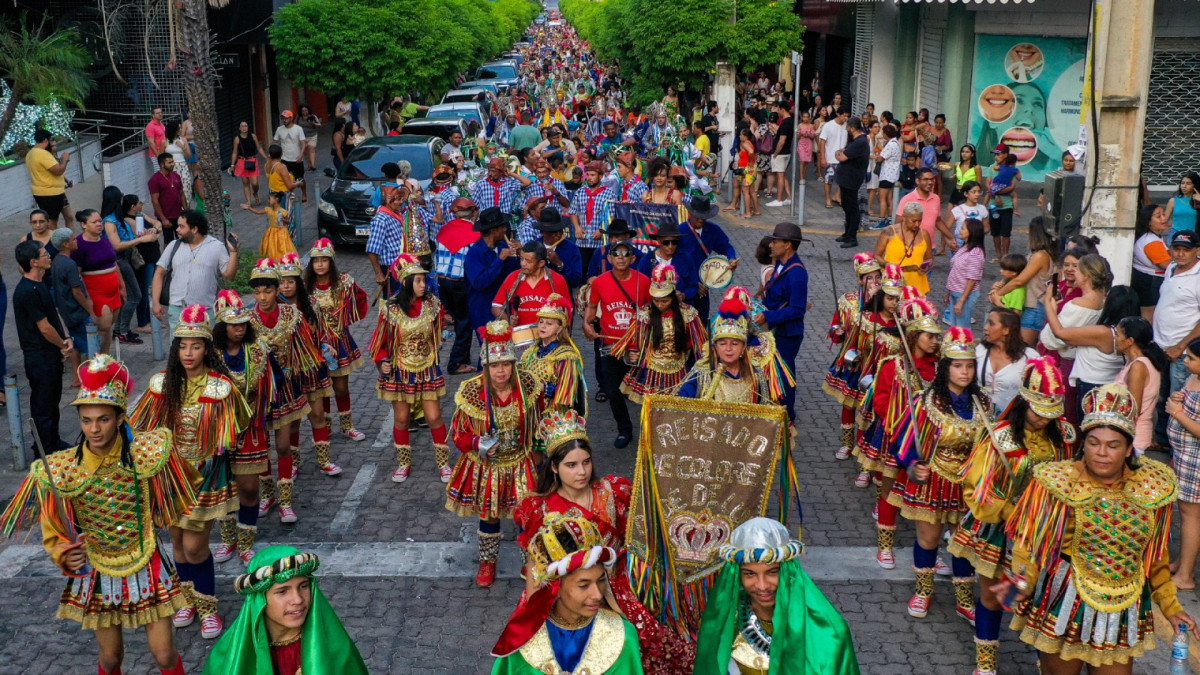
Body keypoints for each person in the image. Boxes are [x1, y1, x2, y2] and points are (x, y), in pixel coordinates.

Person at [0, 354, 198, 675]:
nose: (94, 429)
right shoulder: (65, 469)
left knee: (163, 655)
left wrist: (166, 511)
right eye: (86, 420)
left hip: (147, 560)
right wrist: (64, 552)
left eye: (103, 419)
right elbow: (54, 531)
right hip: (98, 570)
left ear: (120, 418)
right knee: (111, 658)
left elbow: (174, 497)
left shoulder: (145, 454)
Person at [996, 383, 1198, 672]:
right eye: (1093, 443)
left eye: (1113, 445)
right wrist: (1021, 580)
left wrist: (1171, 608)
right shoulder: (1060, 483)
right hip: (1066, 600)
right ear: (1084, 443)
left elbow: (1155, 557)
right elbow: (1030, 544)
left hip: (1124, 608)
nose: (1102, 453)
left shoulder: (1152, 489)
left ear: (1129, 449)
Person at [512, 411, 695, 674]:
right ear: (554, 467)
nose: (582, 471)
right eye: (571, 465)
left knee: (650, 646)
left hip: (617, 588)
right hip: (566, 595)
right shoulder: (540, 508)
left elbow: (638, 537)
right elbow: (535, 565)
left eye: (586, 462)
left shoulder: (612, 492)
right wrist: (532, 613)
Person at [130, 304, 250, 639]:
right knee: (178, 545)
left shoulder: (219, 388)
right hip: (170, 478)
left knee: (197, 547)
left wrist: (217, 445)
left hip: (205, 477)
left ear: (206, 348)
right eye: (182, 345)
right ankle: (186, 599)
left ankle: (208, 607)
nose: (188, 352)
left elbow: (235, 428)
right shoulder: (161, 385)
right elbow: (144, 428)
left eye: (195, 345)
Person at [949, 358, 1074, 675]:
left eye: (1050, 414)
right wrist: (1009, 507)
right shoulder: (1000, 438)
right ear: (1023, 403)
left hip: (1044, 532)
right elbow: (976, 490)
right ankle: (986, 663)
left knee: (1038, 599)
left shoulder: (1066, 437)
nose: (1044, 420)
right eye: (1037, 412)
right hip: (1000, 528)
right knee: (993, 597)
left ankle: (1043, 660)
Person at [891, 327, 988, 625]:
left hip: (968, 485)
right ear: (946, 367)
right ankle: (923, 590)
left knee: (963, 541)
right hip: (933, 481)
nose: (965, 372)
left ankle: (963, 599)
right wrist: (912, 464)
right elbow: (903, 440)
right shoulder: (926, 402)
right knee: (929, 538)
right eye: (958, 366)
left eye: (970, 366)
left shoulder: (982, 404)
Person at [693, 517, 860, 675]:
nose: (762, 585)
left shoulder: (829, 631)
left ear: (788, 571)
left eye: (772, 572)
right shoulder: (724, 623)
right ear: (738, 575)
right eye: (749, 574)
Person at [446, 320, 544, 588]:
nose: (501, 371)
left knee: (526, 512)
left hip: (520, 461)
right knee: (489, 513)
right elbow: (458, 434)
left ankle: (530, 560)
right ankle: (488, 562)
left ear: (513, 364)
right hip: (487, 465)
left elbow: (540, 422)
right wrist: (478, 442)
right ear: (486, 367)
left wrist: (537, 449)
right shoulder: (472, 393)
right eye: (494, 366)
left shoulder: (528, 388)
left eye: (506, 364)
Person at [490, 514, 644, 674]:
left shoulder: (623, 639)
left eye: (600, 580)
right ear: (555, 587)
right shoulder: (521, 643)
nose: (598, 594)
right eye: (584, 585)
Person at [861, 297, 943, 569]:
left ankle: (932, 550)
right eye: (929, 336)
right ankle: (885, 546)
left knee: (930, 496)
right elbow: (881, 402)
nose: (934, 341)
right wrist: (904, 426)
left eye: (936, 337)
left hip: (930, 442)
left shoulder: (941, 367)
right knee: (890, 491)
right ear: (915, 335)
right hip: (897, 436)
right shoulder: (892, 365)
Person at [202, 546, 369, 675]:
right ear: (260, 599)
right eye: (282, 591)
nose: (298, 600)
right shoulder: (227, 655)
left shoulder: (335, 647)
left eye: (303, 587)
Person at [247, 259, 321, 525]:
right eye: (257, 292)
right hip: (258, 395)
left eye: (268, 291)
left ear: (277, 289)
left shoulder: (291, 315)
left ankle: (286, 500)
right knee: (263, 447)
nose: (263, 297)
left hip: (287, 391)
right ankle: (268, 495)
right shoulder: (247, 320)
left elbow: (305, 346)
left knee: (283, 445)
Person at [368, 254, 450, 483]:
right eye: (419, 281)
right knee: (402, 419)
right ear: (406, 282)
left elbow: (438, 331)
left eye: (424, 280)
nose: (424, 285)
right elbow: (379, 341)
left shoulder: (432, 304)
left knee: (434, 417)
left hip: (426, 369)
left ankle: (444, 464)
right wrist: (382, 360)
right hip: (400, 371)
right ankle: (404, 463)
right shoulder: (391, 309)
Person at [211, 290, 275, 567]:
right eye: (232, 324)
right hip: (217, 433)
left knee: (248, 489)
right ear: (221, 327)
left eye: (242, 324)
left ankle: (246, 540)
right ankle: (228, 539)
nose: (238, 329)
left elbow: (276, 385)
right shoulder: (210, 356)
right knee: (222, 488)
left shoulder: (258, 351)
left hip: (250, 429)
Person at [276, 253, 339, 478]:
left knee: (318, 415)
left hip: (312, 369)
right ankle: (294, 463)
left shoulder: (311, 303)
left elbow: (320, 332)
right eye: (281, 282)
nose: (286, 286)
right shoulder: (275, 309)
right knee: (292, 423)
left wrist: (324, 344)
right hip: (288, 373)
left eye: (290, 281)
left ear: (298, 282)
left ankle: (324, 461)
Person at [585, 240, 650, 448]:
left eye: (626, 253)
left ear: (633, 258)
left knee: (644, 392)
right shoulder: (599, 282)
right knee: (613, 391)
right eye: (616, 253)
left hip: (637, 347)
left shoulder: (644, 282)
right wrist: (587, 324)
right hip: (610, 346)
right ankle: (625, 430)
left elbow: (652, 310)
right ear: (610, 258)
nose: (621, 256)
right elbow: (592, 308)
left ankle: (650, 432)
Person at [611, 265, 707, 403]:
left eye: (664, 301)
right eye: (656, 301)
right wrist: (632, 353)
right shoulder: (645, 314)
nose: (660, 305)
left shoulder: (688, 314)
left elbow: (700, 344)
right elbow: (635, 341)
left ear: (673, 298)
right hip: (651, 372)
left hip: (679, 370)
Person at [306, 238, 369, 441]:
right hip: (316, 345)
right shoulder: (305, 289)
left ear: (331, 262)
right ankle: (326, 426)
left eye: (324, 260)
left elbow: (360, 299)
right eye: (316, 261)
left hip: (339, 342)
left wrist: (346, 317)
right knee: (322, 388)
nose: (320, 264)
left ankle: (347, 425)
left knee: (341, 387)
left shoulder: (343, 283)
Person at [678, 287, 788, 405]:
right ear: (715, 347)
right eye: (723, 343)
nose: (728, 349)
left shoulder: (756, 375)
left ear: (743, 347)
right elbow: (681, 404)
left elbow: (771, 405)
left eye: (735, 344)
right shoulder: (702, 375)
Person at [13, 239, 71, 451]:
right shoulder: (27, 291)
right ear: (34, 262)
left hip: (50, 353)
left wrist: (65, 337)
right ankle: (44, 447)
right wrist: (63, 345)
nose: (48, 256)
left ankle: (52, 441)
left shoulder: (40, 284)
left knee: (53, 401)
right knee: (43, 404)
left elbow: (53, 314)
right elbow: (44, 328)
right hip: (39, 357)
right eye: (44, 254)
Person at [824, 252, 883, 459]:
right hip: (852, 362)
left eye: (878, 277)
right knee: (848, 404)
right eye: (869, 278)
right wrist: (837, 332)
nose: (874, 282)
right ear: (860, 280)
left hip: (874, 365)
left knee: (867, 411)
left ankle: (862, 448)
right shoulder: (848, 301)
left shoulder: (886, 304)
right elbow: (834, 326)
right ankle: (847, 444)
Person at [151, 210, 239, 336]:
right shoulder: (173, 245)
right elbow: (159, 273)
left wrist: (234, 252)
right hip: (177, 310)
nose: (177, 230)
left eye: (181, 226)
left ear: (194, 229)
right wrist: (155, 302)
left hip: (205, 312)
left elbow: (229, 275)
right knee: (177, 350)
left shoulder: (216, 247)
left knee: (204, 350)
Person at [753, 222, 809, 421]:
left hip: (787, 333)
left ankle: (787, 415)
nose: (771, 244)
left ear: (787, 245)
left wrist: (768, 316)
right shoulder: (779, 264)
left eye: (775, 241)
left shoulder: (797, 273)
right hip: (775, 328)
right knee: (771, 371)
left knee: (784, 375)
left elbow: (797, 310)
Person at [101, 188, 158, 346]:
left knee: (127, 297)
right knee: (135, 296)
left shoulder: (117, 219)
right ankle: (122, 331)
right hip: (120, 261)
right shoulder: (109, 221)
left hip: (126, 259)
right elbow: (117, 245)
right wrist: (140, 241)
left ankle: (120, 329)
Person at [988, 217, 1057, 345]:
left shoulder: (1040, 256)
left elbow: (1019, 281)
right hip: (1030, 306)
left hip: (1035, 306)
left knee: (1022, 347)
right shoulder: (1037, 254)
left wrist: (998, 294)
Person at [1167, 338, 1200, 591]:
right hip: (1182, 456)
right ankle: (1181, 563)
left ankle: (1186, 576)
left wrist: (1177, 413)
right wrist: (1179, 399)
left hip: (1195, 462)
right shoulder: (1193, 379)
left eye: (1191, 358)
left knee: (1190, 517)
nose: (1185, 361)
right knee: (1185, 514)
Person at [435, 197, 481, 374]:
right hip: (461, 284)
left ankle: (463, 358)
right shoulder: (475, 233)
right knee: (465, 322)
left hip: (443, 282)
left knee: (460, 320)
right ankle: (456, 363)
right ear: (473, 212)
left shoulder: (444, 229)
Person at [520, 293, 586, 416]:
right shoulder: (530, 352)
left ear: (560, 328)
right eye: (541, 322)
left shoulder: (565, 355)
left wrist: (544, 388)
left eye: (549, 323)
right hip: (530, 412)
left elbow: (566, 392)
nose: (543, 326)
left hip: (553, 416)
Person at [72, 209, 123, 355]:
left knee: (109, 328)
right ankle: (97, 359)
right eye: (94, 222)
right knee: (103, 327)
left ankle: (105, 356)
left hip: (114, 291)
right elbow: (78, 274)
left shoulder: (105, 240)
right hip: (96, 292)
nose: (99, 224)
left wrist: (122, 286)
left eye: (100, 221)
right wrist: (87, 298)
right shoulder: (79, 245)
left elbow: (114, 263)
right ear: (83, 224)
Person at [466, 207, 521, 339]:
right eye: (502, 226)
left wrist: (520, 254)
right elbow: (479, 283)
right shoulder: (474, 253)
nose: (504, 229)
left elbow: (515, 276)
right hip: (483, 309)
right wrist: (499, 260)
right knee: (490, 353)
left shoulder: (503, 247)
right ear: (493, 230)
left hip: (504, 308)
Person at [492, 240, 572, 327]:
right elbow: (496, 306)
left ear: (541, 263)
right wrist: (508, 319)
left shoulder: (557, 280)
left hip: (548, 337)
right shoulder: (513, 278)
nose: (523, 264)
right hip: (519, 336)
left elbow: (567, 311)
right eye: (521, 259)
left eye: (528, 261)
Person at [977, 308, 1039, 414]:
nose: (985, 328)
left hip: (1013, 417)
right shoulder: (981, 350)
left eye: (991, 324)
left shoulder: (1029, 358)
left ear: (1006, 330)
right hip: (981, 415)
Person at [49, 228, 89, 384]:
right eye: (73, 239)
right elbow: (77, 291)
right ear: (66, 244)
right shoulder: (70, 264)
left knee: (76, 346)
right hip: (76, 311)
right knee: (91, 345)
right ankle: (90, 379)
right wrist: (90, 310)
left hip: (65, 310)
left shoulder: (56, 261)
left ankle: (76, 378)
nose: (76, 240)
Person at [875, 202, 933, 296]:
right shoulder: (889, 232)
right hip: (893, 284)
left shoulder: (924, 234)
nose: (917, 224)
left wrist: (926, 267)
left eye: (920, 220)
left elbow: (929, 258)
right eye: (914, 221)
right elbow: (876, 255)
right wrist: (887, 265)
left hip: (917, 285)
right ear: (904, 217)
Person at [569, 160, 617, 273]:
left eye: (593, 175)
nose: (589, 178)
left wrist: (602, 230)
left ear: (600, 176)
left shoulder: (609, 194)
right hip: (582, 241)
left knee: (599, 271)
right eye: (588, 175)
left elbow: (612, 216)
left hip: (600, 242)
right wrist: (577, 227)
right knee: (583, 271)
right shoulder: (580, 192)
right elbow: (573, 212)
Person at [834, 117, 870, 248]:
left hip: (852, 179)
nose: (846, 129)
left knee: (852, 207)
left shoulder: (860, 142)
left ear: (853, 128)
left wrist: (840, 154)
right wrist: (840, 153)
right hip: (846, 178)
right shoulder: (854, 141)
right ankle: (847, 232)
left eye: (848, 127)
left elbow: (842, 156)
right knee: (846, 206)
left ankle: (852, 236)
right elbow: (842, 152)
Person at [1131, 203, 1172, 321]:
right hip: (1149, 283)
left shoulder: (1153, 238)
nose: (1164, 218)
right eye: (1158, 216)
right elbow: (1167, 265)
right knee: (1149, 317)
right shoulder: (1151, 242)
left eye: (1164, 214)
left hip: (1148, 281)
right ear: (1149, 222)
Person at [27, 128, 74, 227]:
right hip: (49, 194)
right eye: (51, 140)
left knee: (69, 216)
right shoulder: (42, 154)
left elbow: (49, 171)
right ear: (45, 140)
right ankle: (53, 241)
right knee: (52, 221)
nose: (53, 142)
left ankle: (71, 240)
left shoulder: (31, 153)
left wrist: (66, 180)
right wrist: (65, 160)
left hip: (57, 192)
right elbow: (59, 170)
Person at [944, 218, 986, 328]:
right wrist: (949, 292)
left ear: (971, 232)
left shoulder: (976, 252)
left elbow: (972, 279)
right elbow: (955, 270)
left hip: (964, 294)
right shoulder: (964, 247)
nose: (960, 230)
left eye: (963, 228)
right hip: (955, 291)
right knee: (955, 326)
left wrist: (962, 300)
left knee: (962, 328)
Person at [986, 144, 1020, 261]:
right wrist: (995, 195)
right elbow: (988, 183)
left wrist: (996, 192)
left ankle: (1005, 254)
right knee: (995, 231)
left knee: (1006, 232)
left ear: (1005, 155)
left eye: (998, 154)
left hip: (1007, 206)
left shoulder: (1011, 169)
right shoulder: (992, 167)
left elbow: (1011, 187)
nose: (996, 157)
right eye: (995, 154)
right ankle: (998, 254)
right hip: (993, 205)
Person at [245, 191, 296, 262]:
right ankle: (272, 260)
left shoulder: (283, 211)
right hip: (271, 232)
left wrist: (283, 219)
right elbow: (258, 212)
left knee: (282, 246)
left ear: (276, 199)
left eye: (269, 199)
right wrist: (249, 208)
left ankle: (282, 260)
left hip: (281, 232)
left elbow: (288, 222)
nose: (268, 200)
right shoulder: (269, 209)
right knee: (271, 247)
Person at [149, 153, 186, 243]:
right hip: (166, 217)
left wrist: (186, 211)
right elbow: (155, 201)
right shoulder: (154, 180)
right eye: (170, 162)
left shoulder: (176, 176)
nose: (173, 164)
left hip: (178, 214)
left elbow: (181, 194)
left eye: (172, 161)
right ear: (162, 164)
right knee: (169, 241)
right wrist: (163, 219)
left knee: (183, 239)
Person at [274, 110, 309, 203]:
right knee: (286, 179)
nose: (284, 120)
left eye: (286, 118)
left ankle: (304, 193)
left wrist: (301, 155)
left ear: (291, 118)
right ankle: (288, 196)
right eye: (283, 118)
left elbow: (303, 144)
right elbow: (275, 142)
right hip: (284, 159)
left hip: (296, 159)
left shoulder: (298, 129)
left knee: (300, 180)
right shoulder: (279, 129)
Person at [230, 120, 267, 206]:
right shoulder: (237, 139)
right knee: (245, 183)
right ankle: (249, 201)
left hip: (252, 161)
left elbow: (259, 148)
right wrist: (232, 164)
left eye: (245, 126)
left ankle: (255, 193)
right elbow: (235, 152)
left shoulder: (253, 136)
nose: (244, 128)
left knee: (255, 183)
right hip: (242, 162)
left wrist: (265, 157)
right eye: (242, 126)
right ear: (239, 128)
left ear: (248, 127)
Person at [818, 108, 849, 210]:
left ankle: (837, 196)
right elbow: (822, 141)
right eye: (844, 115)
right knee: (829, 180)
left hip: (843, 158)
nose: (846, 118)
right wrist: (823, 158)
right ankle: (828, 199)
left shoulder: (847, 126)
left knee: (843, 180)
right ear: (838, 114)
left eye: (847, 116)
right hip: (830, 157)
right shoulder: (828, 125)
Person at [765, 100, 794, 207]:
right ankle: (789, 197)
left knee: (780, 176)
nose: (778, 112)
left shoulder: (786, 122)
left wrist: (776, 152)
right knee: (782, 175)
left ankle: (779, 199)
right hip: (786, 152)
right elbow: (781, 135)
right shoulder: (790, 121)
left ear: (782, 109)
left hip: (781, 153)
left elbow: (782, 141)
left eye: (778, 110)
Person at [1164, 171, 1200, 238]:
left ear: (1195, 185)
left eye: (1188, 184)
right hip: (1175, 235)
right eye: (1182, 183)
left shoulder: (1197, 201)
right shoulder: (1173, 201)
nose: (1184, 186)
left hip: (1193, 236)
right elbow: (1164, 220)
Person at [295, 104, 322, 171]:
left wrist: (314, 123)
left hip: (312, 135)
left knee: (311, 149)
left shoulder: (313, 116)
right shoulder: (298, 117)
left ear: (308, 110)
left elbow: (319, 124)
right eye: (303, 111)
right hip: (302, 137)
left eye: (306, 110)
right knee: (305, 151)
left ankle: (313, 165)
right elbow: (295, 125)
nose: (304, 112)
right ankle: (309, 164)